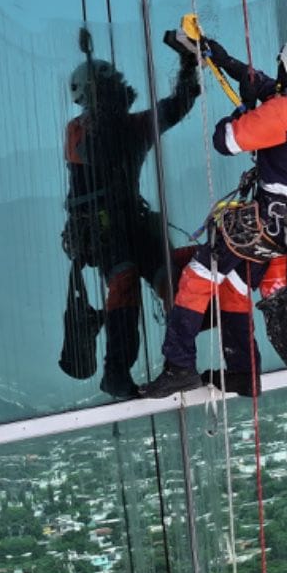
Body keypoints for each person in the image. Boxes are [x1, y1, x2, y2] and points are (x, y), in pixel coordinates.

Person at [139, 34, 287, 398]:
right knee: (233, 286)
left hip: (263, 224)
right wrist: (223, 60)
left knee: (197, 277)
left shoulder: (280, 111)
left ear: (285, 65)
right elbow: (265, 85)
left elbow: (225, 141)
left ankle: (179, 365)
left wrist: (243, 110)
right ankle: (244, 373)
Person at [60, 31, 200, 398]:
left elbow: (178, 105)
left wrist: (189, 66)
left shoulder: (129, 126)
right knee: (124, 283)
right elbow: (95, 151)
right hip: (105, 228)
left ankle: (179, 365)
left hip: (129, 223)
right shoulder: (79, 132)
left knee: (168, 279)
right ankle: (116, 373)